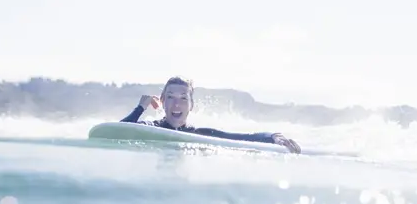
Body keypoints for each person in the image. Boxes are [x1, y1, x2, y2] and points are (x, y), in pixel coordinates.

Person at [120, 76, 302, 154]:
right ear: (163, 102)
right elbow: (112, 132)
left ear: (191, 105)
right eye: (170, 97)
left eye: (183, 98)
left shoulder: (198, 134)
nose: (177, 104)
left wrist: (273, 136)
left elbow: (239, 138)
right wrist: (140, 108)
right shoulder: (149, 129)